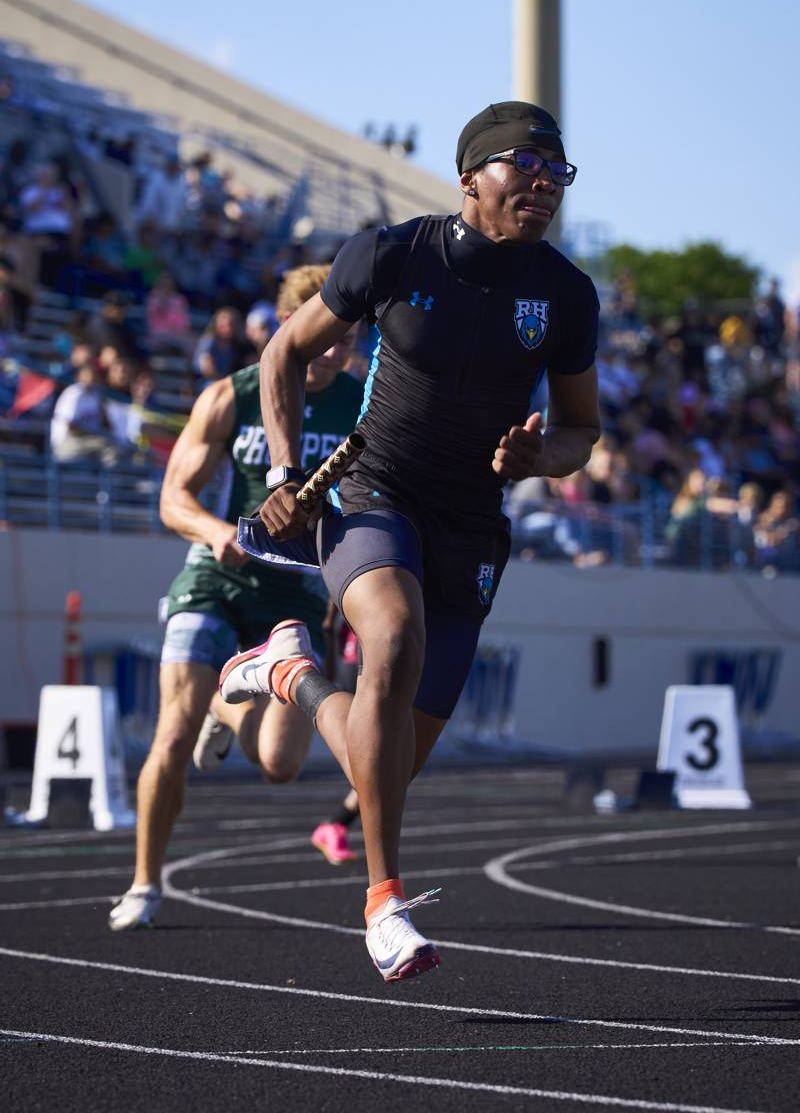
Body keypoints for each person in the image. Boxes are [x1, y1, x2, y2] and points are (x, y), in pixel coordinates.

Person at [221, 102, 601, 982]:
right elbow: (283, 353)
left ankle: (291, 673)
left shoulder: (569, 295)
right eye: (526, 166)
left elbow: (584, 431)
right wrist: (285, 477)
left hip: (472, 523)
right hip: (374, 491)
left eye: (559, 172)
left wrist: (540, 457)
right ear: (471, 176)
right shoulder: (393, 252)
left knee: (384, 764)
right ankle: (384, 901)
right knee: (391, 635)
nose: (544, 184)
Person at [108, 264, 364, 931]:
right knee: (174, 728)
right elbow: (173, 499)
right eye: (327, 334)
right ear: (290, 325)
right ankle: (144, 884)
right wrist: (219, 532)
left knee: (280, 764)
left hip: (297, 591)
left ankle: (237, 694)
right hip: (215, 578)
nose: (337, 349)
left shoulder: (363, 405)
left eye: (349, 337)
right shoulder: (232, 395)